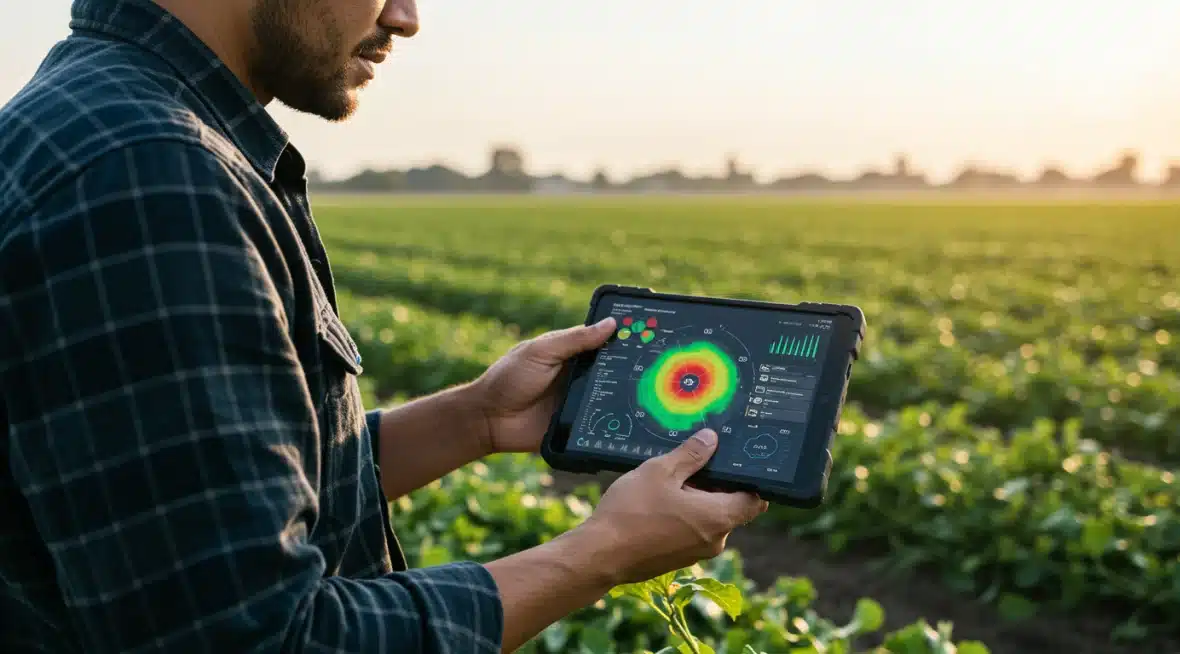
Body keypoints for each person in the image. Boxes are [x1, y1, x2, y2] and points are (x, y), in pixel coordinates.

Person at [0, 0, 769, 652]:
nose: (405, 17)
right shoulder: (150, 173)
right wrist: (599, 553)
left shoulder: (96, 118)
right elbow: (259, 636)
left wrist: (475, 419)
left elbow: (192, 503)